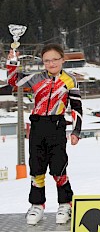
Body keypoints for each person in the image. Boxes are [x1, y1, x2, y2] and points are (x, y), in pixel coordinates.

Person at [6, 43, 82, 225]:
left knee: (59, 168)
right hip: (38, 126)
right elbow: (13, 81)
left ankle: (65, 204)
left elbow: (77, 107)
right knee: (37, 168)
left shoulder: (70, 80)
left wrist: (76, 131)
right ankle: (37, 205)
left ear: (63, 60)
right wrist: (12, 62)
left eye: (55, 59)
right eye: (47, 61)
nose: (51, 63)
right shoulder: (36, 78)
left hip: (56, 126)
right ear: (43, 63)